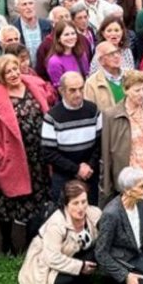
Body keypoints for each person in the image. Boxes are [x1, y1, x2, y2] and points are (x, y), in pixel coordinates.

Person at [0, 54, 53, 254]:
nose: (13, 74)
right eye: (8, 72)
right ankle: (6, 241)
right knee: (9, 204)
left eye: (15, 69)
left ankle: (33, 241)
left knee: (37, 199)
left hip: (37, 156)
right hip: (12, 159)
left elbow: (49, 102)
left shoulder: (32, 85)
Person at [100, 70, 143, 229]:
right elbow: (113, 151)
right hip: (131, 173)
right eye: (137, 90)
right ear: (126, 90)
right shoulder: (112, 115)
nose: (142, 94)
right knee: (132, 213)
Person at [18, 180, 102, 284]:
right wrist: (80, 266)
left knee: (100, 250)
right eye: (75, 203)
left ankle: (83, 278)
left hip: (75, 255)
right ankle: (80, 280)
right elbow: (51, 258)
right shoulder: (56, 224)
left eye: (84, 202)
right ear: (66, 205)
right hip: (49, 264)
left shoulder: (93, 213)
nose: (81, 208)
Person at [41, 71, 102, 205]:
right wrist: (76, 169)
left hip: (89, 175)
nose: (78, 94)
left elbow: (100, 143)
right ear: (61, 91)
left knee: (90, 216)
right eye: (72, 90)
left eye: (81, 88)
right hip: (64, 177)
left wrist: (89, 166)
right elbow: (48, 153)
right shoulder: (52, 117)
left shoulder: (93, 110)